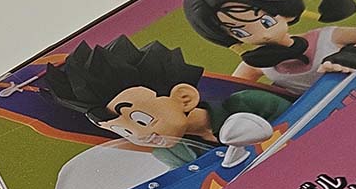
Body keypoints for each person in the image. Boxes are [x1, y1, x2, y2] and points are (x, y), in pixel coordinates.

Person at [42, 35, 292, 170]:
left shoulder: (249, 104)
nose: (140, 135)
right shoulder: (171, 151)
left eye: (142, 120)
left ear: (184, 97)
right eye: (124, 131)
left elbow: (300, 126)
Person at [182, 0, 356, 96]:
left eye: (266, 21)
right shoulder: (259, 63)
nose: (264, 35)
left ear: (284, 12)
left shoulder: (325, 38)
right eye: (240, 32)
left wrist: (355, 52)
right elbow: (233, 90)